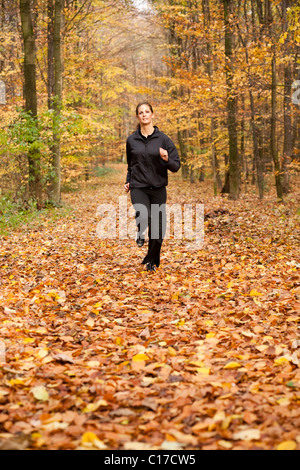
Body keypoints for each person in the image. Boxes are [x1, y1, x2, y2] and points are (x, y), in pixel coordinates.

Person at [124, 102, 181, 272]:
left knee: (158, 227)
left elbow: (176, 166)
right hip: (138, 186)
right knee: (144, 214)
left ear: (152, 115)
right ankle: (141, 229)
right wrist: (128, 180)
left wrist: (166, 159)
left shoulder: (163, 139)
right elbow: (131, 164)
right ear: (137, 117)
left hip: (158, 188)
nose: (144, 115)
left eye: (147, 112)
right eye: (141, 112)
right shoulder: (131, 140)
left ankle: (151, 261)